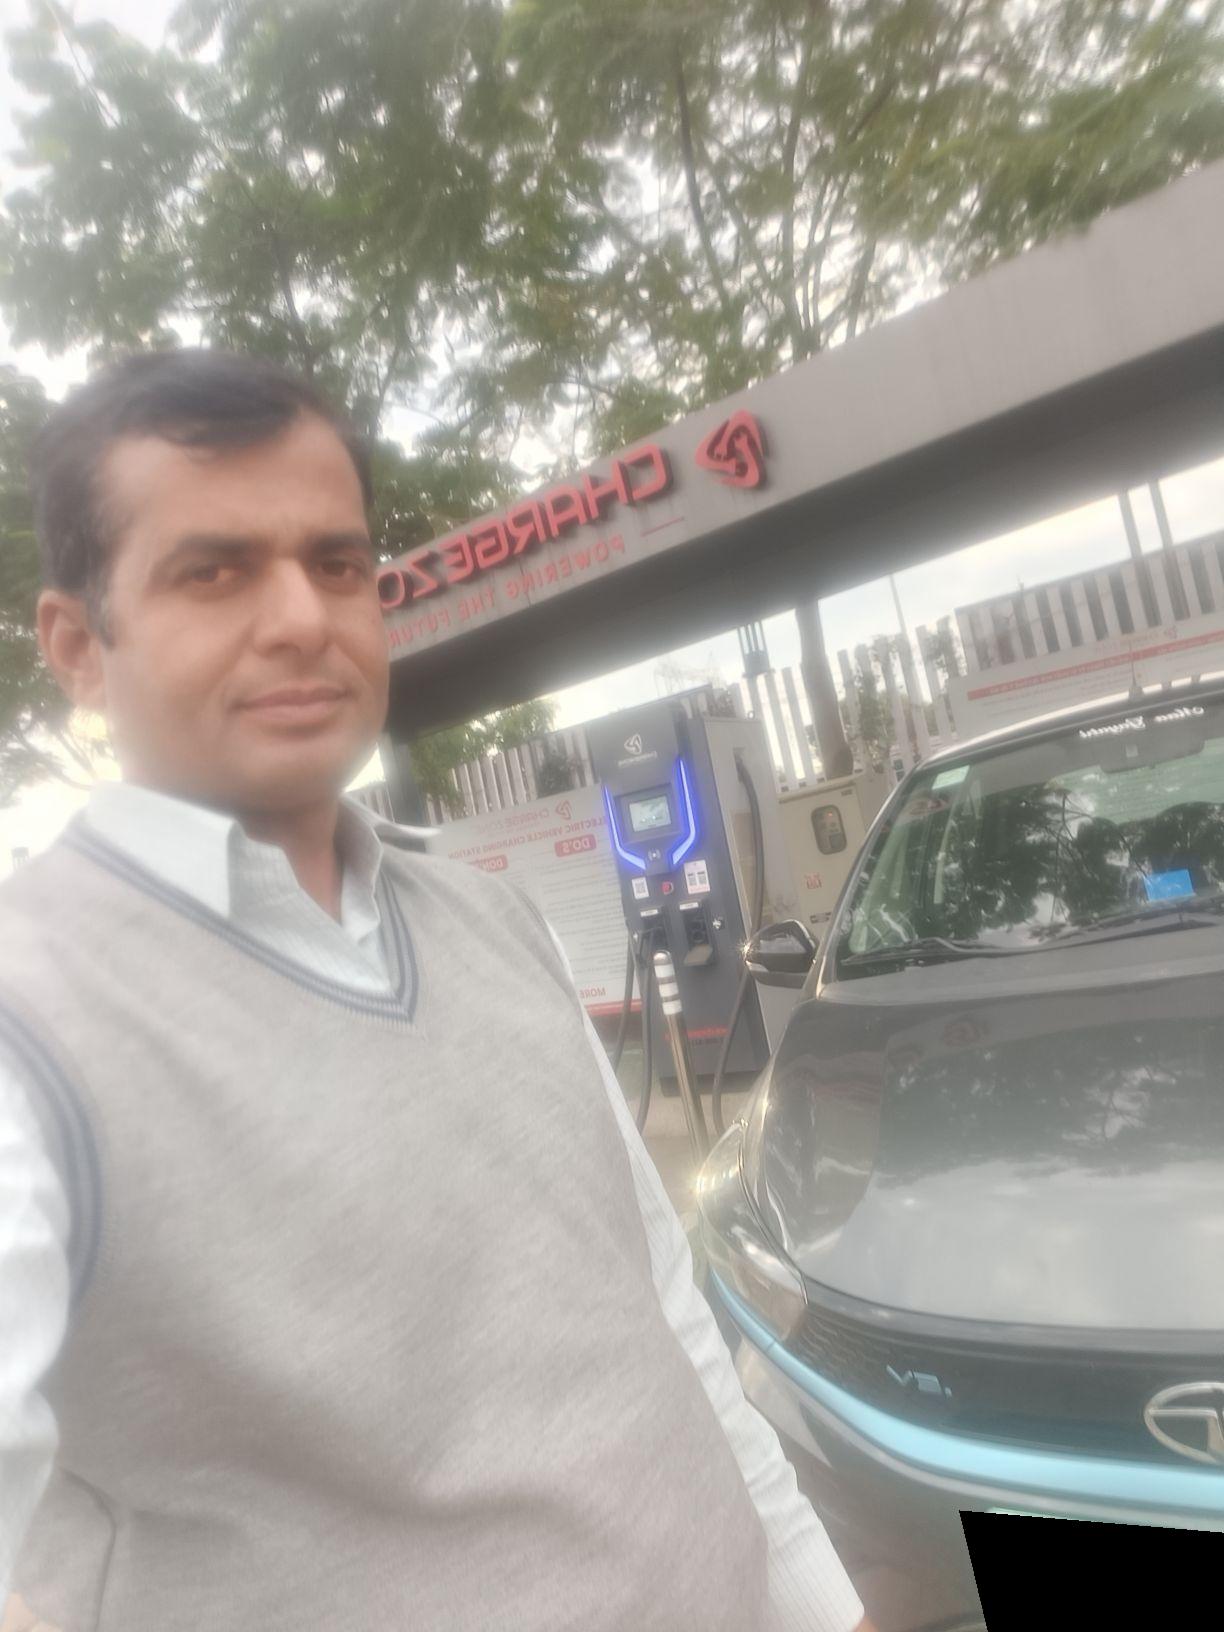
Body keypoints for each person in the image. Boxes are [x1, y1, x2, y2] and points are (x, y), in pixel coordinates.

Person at [0, 349, 874, 1632]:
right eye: (213, 571)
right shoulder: (33, 1014)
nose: (301, 618)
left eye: (337, 563)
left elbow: (658, 1305)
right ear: (79, 647)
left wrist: (820, 1600)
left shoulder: (491, 919)